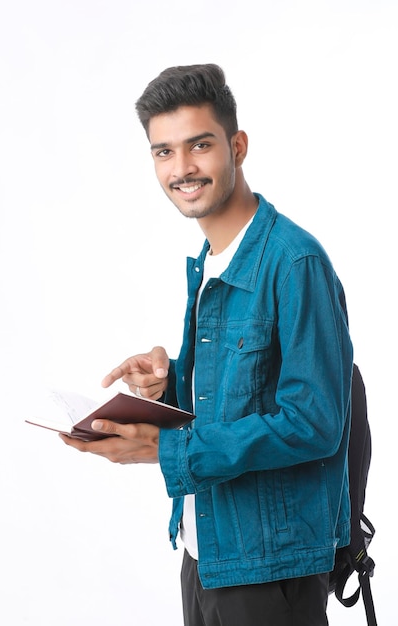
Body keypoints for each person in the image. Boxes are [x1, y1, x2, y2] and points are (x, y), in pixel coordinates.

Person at [60, 64, 354, 626]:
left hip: (269, 571)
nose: (182, 168)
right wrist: (171, 382)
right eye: (163, 152)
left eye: (199, 145)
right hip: (207, 553)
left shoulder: (295, 263)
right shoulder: (211, 261)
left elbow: (315, 422)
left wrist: (165, 451)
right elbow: (245, 393)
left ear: (237, 146)